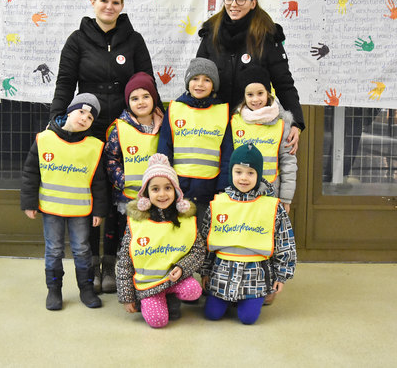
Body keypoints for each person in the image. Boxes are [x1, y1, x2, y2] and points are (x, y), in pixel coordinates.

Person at [49, 0, 161, 281]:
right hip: (90, 127)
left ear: (121, 6)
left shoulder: (134, 40)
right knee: (92, 192)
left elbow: (146, 81)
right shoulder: (77, 40)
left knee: (117, 197)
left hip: (127, 128)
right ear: (94, 3)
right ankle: (90, 263)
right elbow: (64, 83)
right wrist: (57, 118)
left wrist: (156, 113)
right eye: (103, 1)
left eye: (115, 2)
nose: (109, 6)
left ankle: (112, 264)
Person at [197, 0, 304, 155]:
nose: (233, 4)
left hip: (254, 125)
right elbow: (197, 78)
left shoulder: (268, 35)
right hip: (215, 123)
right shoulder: (211, 32)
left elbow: (284, 83)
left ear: (253, 3)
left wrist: (296, 123)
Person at [21, 93, 107, 311]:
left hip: (80, 211)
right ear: (70, 110)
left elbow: (99, 182)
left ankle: (86, 289)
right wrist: (29, 203)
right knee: (54, 249)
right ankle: (54, 290)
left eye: (90, 117)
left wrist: (99, 210)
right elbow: (31, 173)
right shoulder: (44, 139)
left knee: (81, 249)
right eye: (81, 112)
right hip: (51, 209)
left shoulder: (94, 146)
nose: (84, 118)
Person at [200, 144, 296, 324]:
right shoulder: (218, 203)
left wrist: (281, 276)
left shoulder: (272, 206)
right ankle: (228, 298)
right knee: (212, 315)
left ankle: (248, 299)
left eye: (250, 173)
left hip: (255, 274)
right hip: (223, 271)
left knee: (248, 319)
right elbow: (205, 241)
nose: (244, 178)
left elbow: (285, 243)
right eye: (238, 172)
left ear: (258, 175)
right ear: (231, 173)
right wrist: (205, 271)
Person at [116, 153, 204, 328]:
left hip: (173, 279)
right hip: (148, 284)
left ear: (176, 191)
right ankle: (150, 299)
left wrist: (182, 267)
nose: (162, 194)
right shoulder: (138, 223)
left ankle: (168, 296)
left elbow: (199, 251)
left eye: (168, 188)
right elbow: (124, 262)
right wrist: (127, 298)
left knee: (194, 290)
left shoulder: (185, 219)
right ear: (146, 193)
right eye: (155, 189)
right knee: (158, 322)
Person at [102, 72, 164, 293]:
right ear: (128, 102)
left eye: (145, 96)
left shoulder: (164, 127)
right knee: (126, 240)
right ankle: (123, 279)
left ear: (154, 98)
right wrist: (123, 178)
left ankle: (150, 279)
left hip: (158, 199)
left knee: (151, 239)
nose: (140, 102)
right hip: (127, 199)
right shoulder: (120, 127)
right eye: (134, 98)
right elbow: (111, 158)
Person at [157, 57, 233, 225]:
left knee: (203, 238)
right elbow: (164, 149)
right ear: (188, 82)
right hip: (176, 191)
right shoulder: (175, 109)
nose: (200, 84)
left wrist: (223, 188)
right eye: (195, 78)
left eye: (207, 80)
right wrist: (164, 184)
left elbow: (228, 155)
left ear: (214, 85)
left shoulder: (222, 112)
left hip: (209, 191)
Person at [231, 66, 297, 213]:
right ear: (244, 96)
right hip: (239, 192)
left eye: (260, 93)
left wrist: (286, 198)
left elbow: (288, 162)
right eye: (250, 94)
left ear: (268, 94)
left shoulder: (281, 124)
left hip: (271, 193)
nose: (255, 99)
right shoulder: (235, 122)